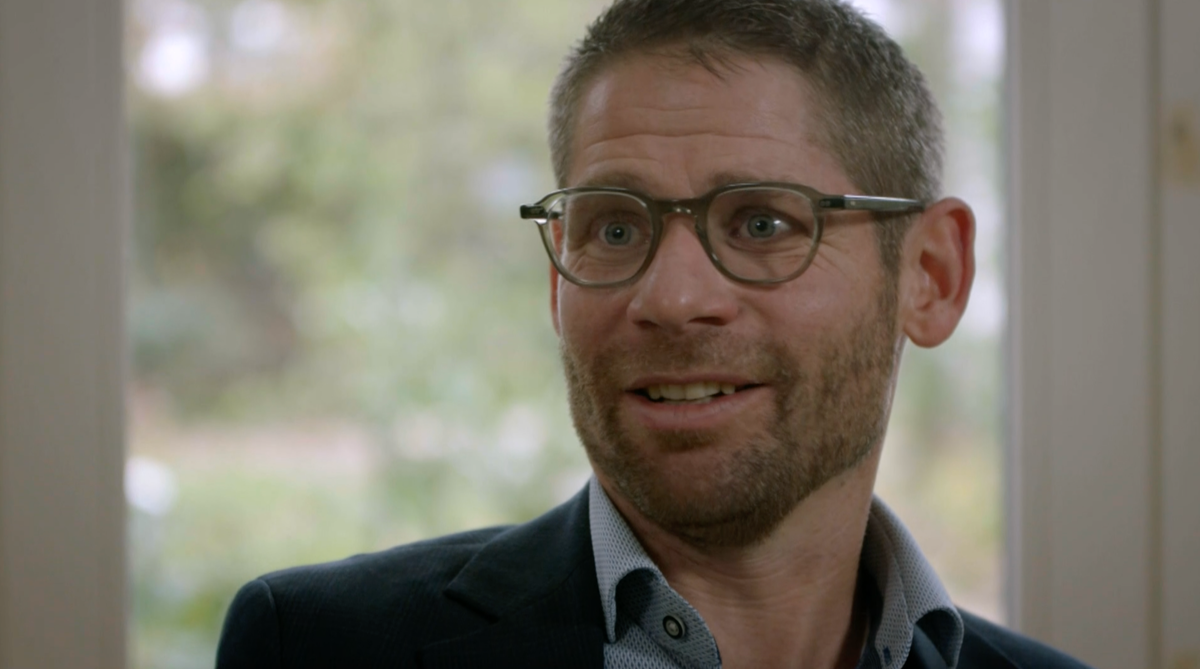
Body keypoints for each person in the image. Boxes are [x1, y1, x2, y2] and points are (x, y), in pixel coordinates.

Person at [216, 1, 1090, 667]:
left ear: (931, 276)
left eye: (761, 223)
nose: (671, 298)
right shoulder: (319, 647)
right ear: (558, 277)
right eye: (615, 227)